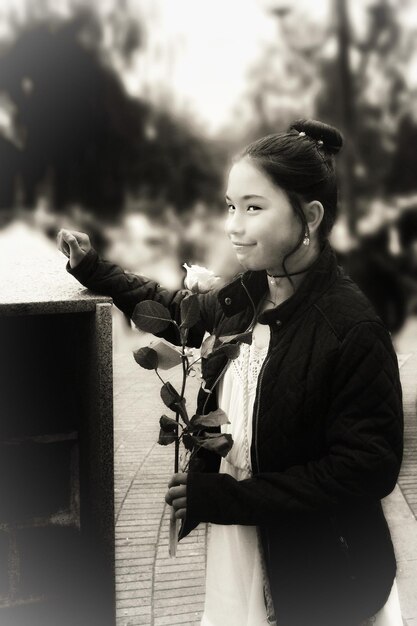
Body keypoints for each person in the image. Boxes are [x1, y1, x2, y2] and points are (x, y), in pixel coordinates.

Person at [57, 119, 404, 626]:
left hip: (325, 569)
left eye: (253, 208)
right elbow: (174, 311)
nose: (233, 225)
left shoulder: (351, 328)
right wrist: (94, 269)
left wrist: (232, 497)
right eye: (230, 206)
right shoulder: (245, 297)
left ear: (309, 216)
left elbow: (366, 468)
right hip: (245, 546)